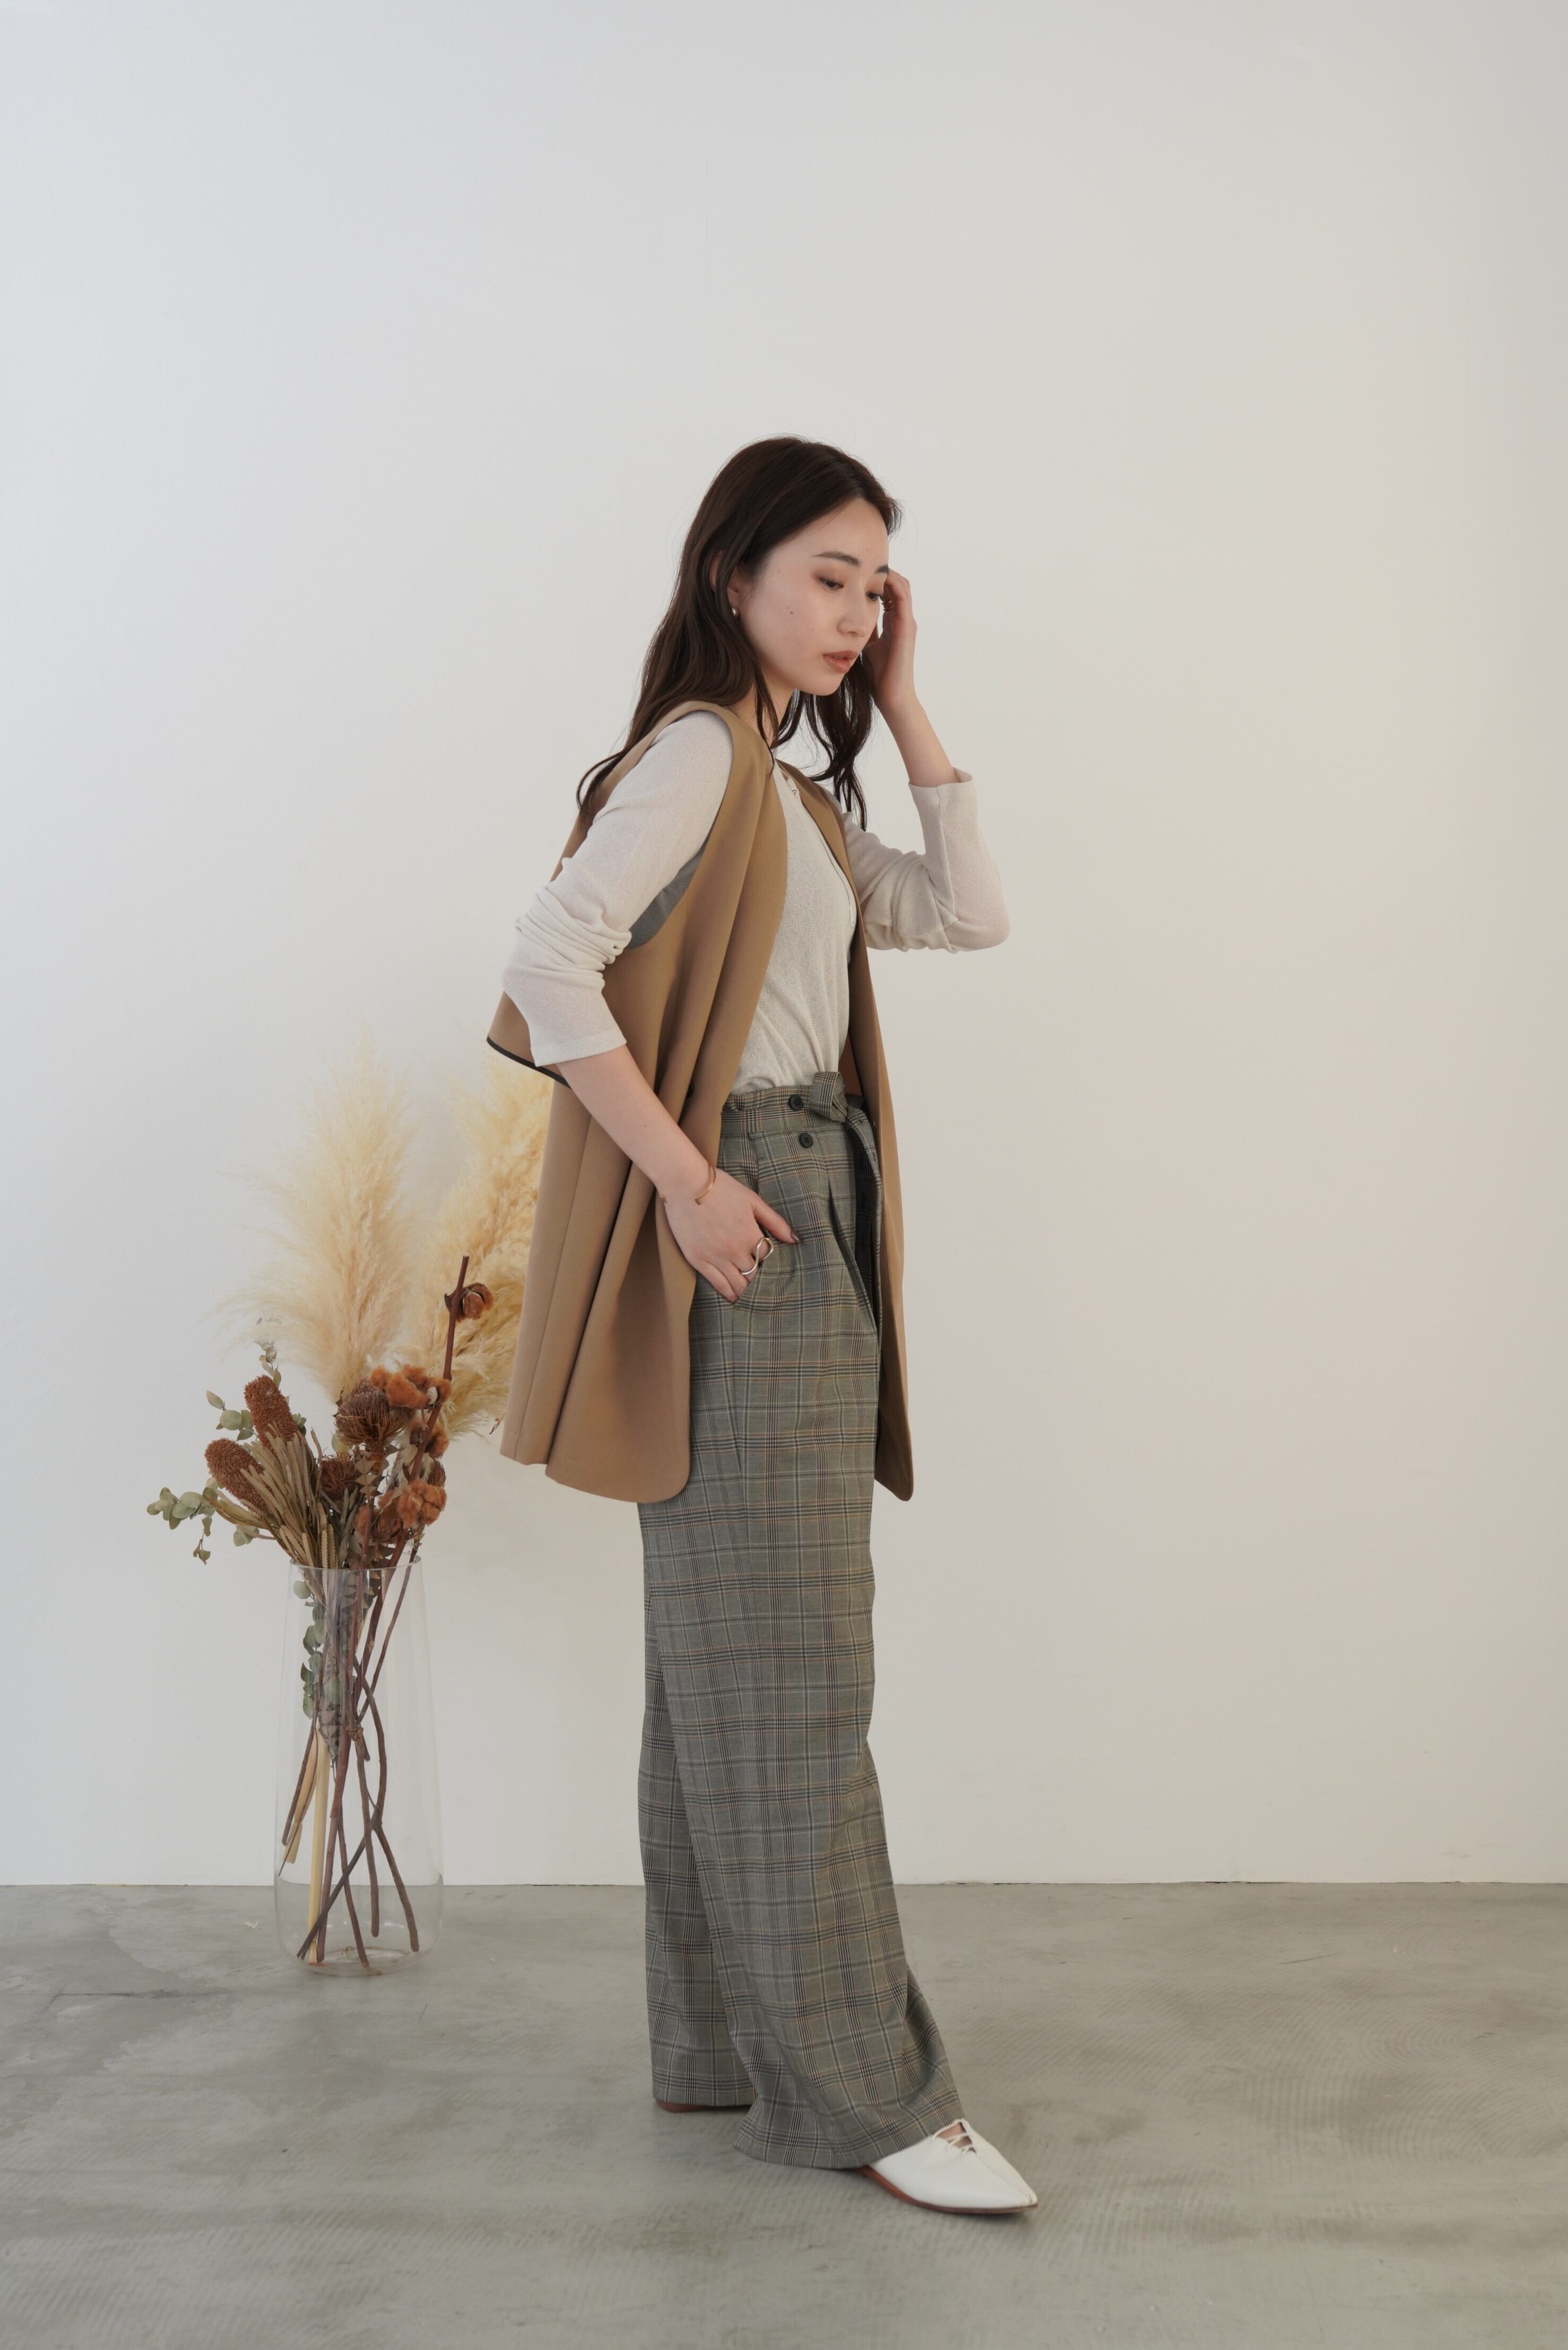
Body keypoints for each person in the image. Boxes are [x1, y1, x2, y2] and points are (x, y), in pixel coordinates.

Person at [496, 437, 1036, 2216]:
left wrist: (908, 703)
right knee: (795, 1668)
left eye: (875, 583)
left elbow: (965, 913)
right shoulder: (698, 760)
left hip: (808, 1196)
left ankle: (724, 2046)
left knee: (723, 1660)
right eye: (825, 574)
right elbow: (546, 964)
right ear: (730, 574)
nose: (854, 607)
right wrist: (683, 1180)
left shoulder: (785, 795)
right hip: (753, 1204)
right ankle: (864, 2092)